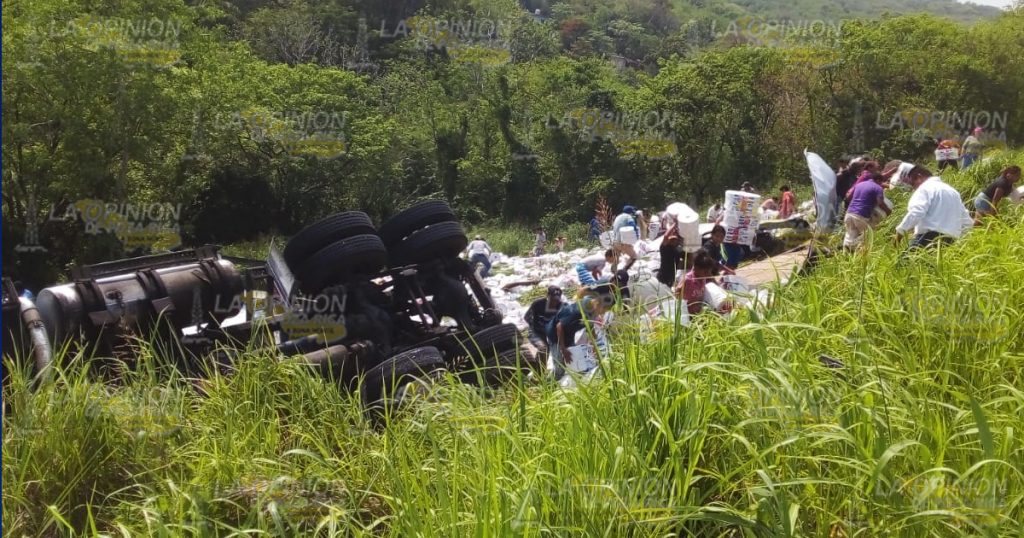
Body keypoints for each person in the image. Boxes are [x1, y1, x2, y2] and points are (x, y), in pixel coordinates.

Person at [893, 164, 975, 250]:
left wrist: (900, 233)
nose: (914, 189)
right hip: (951, 241)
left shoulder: (924, 189)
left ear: (919, 177)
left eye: (913, 184)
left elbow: (916, 212)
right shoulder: (952, 191)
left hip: (928, 239)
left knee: (903, 263)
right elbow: (966, 220)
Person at [545, 293, 609, 379]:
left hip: (569, 334)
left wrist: (596, 345)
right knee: (560, 366)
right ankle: (551, 384)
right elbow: (559, 327)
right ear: (597, 305)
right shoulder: (578, 311)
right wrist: (563, 349)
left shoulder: (592, 311)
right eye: (603, 310)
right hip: (555, 335)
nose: (602, 313)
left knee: (574, 359)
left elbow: (590, 328)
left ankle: (574, 378)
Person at [673, 249, 732, 316]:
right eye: (705, 272)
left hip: (700, 312)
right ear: (696, 268)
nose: (707, 274)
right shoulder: (687, 280)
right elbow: (677, 293)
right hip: (689, 314)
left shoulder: (703, 278)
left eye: (708, 272)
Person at [843, 172, 890, 250]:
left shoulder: (859, 184)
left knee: (850, 234)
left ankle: (845, 254)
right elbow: (880, 203)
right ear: (878, 180)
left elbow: (848, 197)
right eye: (881, 182)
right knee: (869, 235)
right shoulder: (877, 188)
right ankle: (853, 247)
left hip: (849, 213)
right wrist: (888, 211)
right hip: (861, 215)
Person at [524, 286, 564, 355]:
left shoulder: (561, 306)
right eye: (552, 299)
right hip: (537, 331)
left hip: (551, 332)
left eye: (557, 300)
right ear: (548, 296)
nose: (554, 302)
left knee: (557, 349)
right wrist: (536, 325)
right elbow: (526, 317)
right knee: (542, 348)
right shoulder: (538, 304)